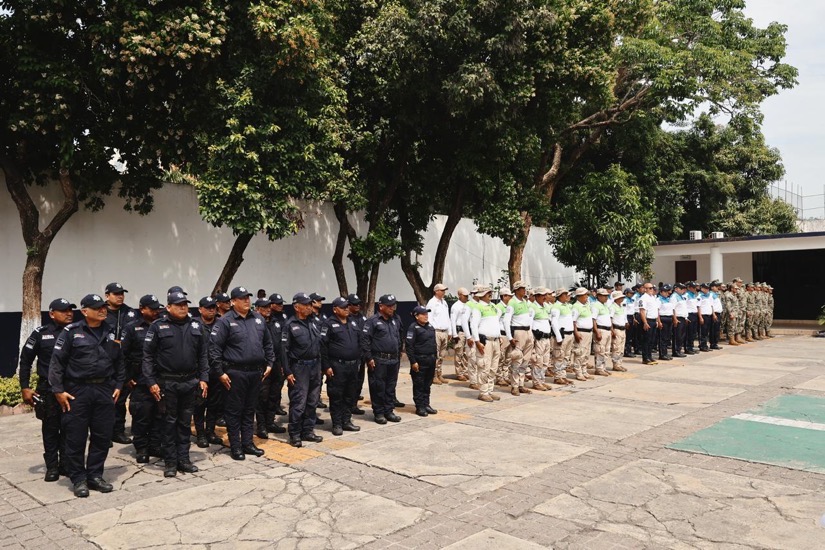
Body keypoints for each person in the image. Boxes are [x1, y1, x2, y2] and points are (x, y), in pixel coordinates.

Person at [49, 293, 126, 498]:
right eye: (97, 307)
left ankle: (94, 475)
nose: (103, 310)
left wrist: (119, 384)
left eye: (103, 307)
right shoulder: (71, 332)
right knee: (76, 437)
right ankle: (78, 479)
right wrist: (58, 390)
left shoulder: (110, 332)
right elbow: (56, 364)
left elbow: (119, 362)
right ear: (84, 311)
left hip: (104, 391)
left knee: (102, 436)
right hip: (77, 391)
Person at [142, 291, 209, 477]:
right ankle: (170, 462)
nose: (182, 307)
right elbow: (147, 356)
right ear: (168, 307)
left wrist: (204, 378)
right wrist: (151, 381)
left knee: (185, 423)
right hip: (167, 382)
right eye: (178, 304)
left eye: (185, 304)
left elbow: (203, 355)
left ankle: (184, 459)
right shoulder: (158, 326)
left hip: (190, 382)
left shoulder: (196, 325)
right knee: (169, 423)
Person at [208, 286, 274, 460]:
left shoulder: (258, 319)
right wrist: (220, 372)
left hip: (255, 372)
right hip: (234, 373)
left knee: (249, 409)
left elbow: (268, 343)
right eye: (242, 298)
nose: (246, 300)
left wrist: (270, 363)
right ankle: (235, 446)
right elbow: (214, 350)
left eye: (248, 297)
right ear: (233, 302)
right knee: (234, 411)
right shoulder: (225, 321)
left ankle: (248, 443)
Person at [19, 298, 75, 481]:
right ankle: (52, 466)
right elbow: (26, 360)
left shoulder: (76, 332)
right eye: (64, 310)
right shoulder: (41, 334)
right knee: (51, 428)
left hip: (71, 387)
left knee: (70, 427)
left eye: (70, 310)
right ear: (52, 314)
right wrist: (25, 387)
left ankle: (66, 464)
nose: (69, 313)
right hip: (48, 388)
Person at [120, 295, 165, 462]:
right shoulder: (132, 328)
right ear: (142, 309)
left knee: (159, 414)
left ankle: (155, 445)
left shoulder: (163, 325)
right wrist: (126, 378)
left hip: (160, 379)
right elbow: (122, 356)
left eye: (157, 309)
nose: (156, 312)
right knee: (141, 415)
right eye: (152, 309)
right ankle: (141, 448)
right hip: (139, 380)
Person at [282, 293, 324, 447]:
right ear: (296, 307)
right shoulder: (290, 325)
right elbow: (284, 351)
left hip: (314, 366)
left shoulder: (313, 322)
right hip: (299, 368)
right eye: (305, 305)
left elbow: (320, 346)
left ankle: (308, 431)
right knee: (299, 402)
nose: (309, 307)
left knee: (312, 401)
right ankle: (294, 433)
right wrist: (288, 371)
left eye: (309, 304)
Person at [320, 297, 363, 435]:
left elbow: (359, 341)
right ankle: (337, 424)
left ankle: (347, 420)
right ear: (335, 309)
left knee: (350, 395)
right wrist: (326, 366)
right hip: (337, 366)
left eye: (347, 307)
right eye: (343, 307)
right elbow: (323, 347)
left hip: (352, 366)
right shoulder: (329, 324)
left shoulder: (353, 322)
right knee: (337, 395)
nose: (346, 309)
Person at [361, 294, 404, 424]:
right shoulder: (372, 321)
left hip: (393, 360)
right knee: (378, 387)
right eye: (389, 306)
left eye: (394, 306)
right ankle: (379, 412)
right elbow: (365, 340)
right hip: (379, 360)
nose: (392, 308)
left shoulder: (396, 319)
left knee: (390, 387)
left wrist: (400, 350)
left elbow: (400, 335)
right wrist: (369, 358)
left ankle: (389, 411)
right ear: (381, 306)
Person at [105, 282, 136, 445]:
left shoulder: (129, 312)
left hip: (124, 361)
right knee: (103, 399)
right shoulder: (100, 311)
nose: (120, 296)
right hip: (104, 362)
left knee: (120, 398)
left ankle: (118, 431)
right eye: (116, 294)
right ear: (107, 296)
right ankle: (103, 433)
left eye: (122, 293)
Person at [192, 296, 224, 448]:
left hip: (217, 370)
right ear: (200, 309)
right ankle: (200, 434)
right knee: (199, 404)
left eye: (213, 307)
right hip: (199, 372)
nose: (211, 310)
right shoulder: (194, 325)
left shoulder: (221, 324)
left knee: (214, 403)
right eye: (208, 307)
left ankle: (210, 431)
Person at [255, 296, 288, 439]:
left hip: (276, 364)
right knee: (262, 397)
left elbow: (281, 345)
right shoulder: (255, 323)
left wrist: (281, 364)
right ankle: (261, 426)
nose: (268, 310)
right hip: (262, 365)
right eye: (264, 308)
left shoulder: (276, 322)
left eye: (269, 307)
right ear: (257, 309)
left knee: (274, 395)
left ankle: (270, 422)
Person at [470, 287, 503, 402]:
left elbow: (496, 322)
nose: (490, 294)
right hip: (485, 342)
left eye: (490, 293)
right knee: (484, 366)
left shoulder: (493, 307)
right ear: (481, 295)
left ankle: (489, 390)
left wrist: (499, 336)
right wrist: (477, 341)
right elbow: (474, 325)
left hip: (495, 340)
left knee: (493, 367)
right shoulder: (477, 308)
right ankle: (483, 392)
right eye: (487, 293)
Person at [406, 305, 439, 416]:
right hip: (420, 360)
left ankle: (426, 404)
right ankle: (420, 406)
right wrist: (413, 361)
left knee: (427, 384)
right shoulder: (413, 328)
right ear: (416, 316)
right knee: (419, 384)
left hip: (431, 359)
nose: (426, 316)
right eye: (423, 314)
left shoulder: (429, 326)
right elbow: (409, 346)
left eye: (427, 314)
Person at [425, 283, 451, 385]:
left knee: (442, 355)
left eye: (444, 290)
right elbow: (429, 318)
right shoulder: (432, 303)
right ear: (436, 291)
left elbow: (447, 317)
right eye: (442, 290)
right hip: (436, 331)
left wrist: (450, 331)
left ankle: (439, 373)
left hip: (444, 331)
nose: (444, 292)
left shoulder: (444, 303)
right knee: (435, 355)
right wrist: (431, 331)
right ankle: (433, 375)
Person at [346, 294, 368, 415]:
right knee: (350, 382)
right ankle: (348, 406)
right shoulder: (346, 318)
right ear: (348, 305)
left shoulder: (362, 318)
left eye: (359, 304)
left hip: (361, 355)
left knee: (359, 380)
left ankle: (354, 404)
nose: (358, 306)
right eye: (355, 304)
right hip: (350, 356)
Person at [550, 288, 575, 386]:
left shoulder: (567, 306)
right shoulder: (556, 307)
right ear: (560, 296)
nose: (568, 296)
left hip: (569, 334)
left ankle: (563, 376)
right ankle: (558, 376)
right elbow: (554, 322)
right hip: (562, 335)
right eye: (566, 295)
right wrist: (558, 336)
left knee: (566, 356)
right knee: (559, 356)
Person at [529, 288, 552, 389]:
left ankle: (542, 380)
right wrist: (532, 337)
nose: (545, 297)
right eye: (542, 295)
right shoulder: (532, 307)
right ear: (536, 296)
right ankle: (536, 382)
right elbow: (529, 324)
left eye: (545, 295)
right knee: (538, 361)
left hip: (547, 337)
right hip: (539, 338)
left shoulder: (545, 306)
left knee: (545, 361)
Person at [571, 287, 595, 379]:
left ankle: (584, 370)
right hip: (581, 332)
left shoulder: (587, 305)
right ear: (579, 296)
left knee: (586, 352)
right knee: (579, 353)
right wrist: (576, 333)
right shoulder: (576, 307)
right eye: (585, 295)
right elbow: (573, 322)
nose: (587, 297)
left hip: (588, 332)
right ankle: (578, 372)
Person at [449, 288, 471, 382]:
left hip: (467, 331)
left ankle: (465, 371)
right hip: (459, 331)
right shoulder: (456, 306)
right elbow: (453, 321)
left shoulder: (467, 305)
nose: (466, 297)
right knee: (459, 352)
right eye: (465, 295)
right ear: (459, 295)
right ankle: (459, 373)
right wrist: (454, 334)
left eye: (467, 296)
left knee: (466, 353)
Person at [638, 283, 662, 365]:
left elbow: (656, 310)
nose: (652, 289)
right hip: (647, 320)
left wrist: (658, 321)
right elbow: (642, 311)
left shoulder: (653, 297)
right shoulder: (643, 298)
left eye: (653, 288)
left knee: (651, 340)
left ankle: (650, 356)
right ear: (645, 289)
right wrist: (645, 322)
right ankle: (645, 358)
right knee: (646, 340)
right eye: (650, 288)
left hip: (653, 320)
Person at [591, 288, 613, 375]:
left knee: (606, 351)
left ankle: (603, 367)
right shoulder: (595, 305)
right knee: (600, 350)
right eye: (604, 296)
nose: (606, 297)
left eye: (607, 296)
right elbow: (593, 320)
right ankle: (599, 368)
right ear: (599, 296)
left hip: (607, 330)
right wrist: (596, 331)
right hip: (601, 329)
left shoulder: (605, 305)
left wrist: (611, 330)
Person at [608, 291, 628, 372]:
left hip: (622, 329)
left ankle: (619, 363)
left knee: (621, 347)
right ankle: (616, 364)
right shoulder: (613, 307)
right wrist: (612, 330)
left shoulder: (621, 306)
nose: (622, 298)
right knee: (616, 347)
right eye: (621, 297)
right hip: (617, 328)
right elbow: (610, 319)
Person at [657, 284, 675, 361]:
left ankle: (666, 353)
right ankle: (662, 354)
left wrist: (674, 318)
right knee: (662, 338)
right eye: (665, 291)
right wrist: (659, 321)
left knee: (667, 337)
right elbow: (657, 311)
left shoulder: (668, 299)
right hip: (663, 318)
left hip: (669, 318)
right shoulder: (658, 300)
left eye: (668, 291)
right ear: (661, 292)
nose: (667, 293)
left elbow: (672, 310)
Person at [672, 284, 690, 357]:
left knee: (682, 335)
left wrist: (685, 317)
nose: (683, 290)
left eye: (683, 289)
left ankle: (679, 350)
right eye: (681, 288)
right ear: (676, 289)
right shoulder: (674, 297)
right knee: (677, 336)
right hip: (678, 318)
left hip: (682, 318)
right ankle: (676, 351)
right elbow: (673, 309)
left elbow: (683, 308)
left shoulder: (681, 296)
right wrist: (675, 319)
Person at [697, 283, 715, 352]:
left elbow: (711, 305)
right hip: (703, 315)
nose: (707, 290)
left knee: (707, 331)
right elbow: (698, 307)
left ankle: (705, 345)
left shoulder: (709, 295)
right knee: (703, 332)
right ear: (702, 288)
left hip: (709, 315)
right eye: (706, 288)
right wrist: (700, 317)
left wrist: (713, 314)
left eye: (708, 288)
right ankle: (702, 345)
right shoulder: (700, 296)